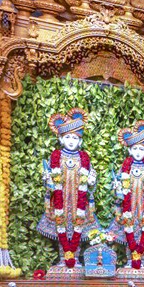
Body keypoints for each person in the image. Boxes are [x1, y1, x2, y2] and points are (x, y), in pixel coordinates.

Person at [38, 108, 97, 269]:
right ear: (61, 139)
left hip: (79, 201)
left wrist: (92, 180)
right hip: (60, 200)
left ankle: (75, 258)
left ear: (80, 141)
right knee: (61, 225)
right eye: (67, 137)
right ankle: (63, 259)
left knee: (78, 225)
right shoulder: (56, 157)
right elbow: (50, 181)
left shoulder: (83, 158)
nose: (71, 141)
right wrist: (47, 180)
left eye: (75, 138)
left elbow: (91, 181)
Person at [110, 119, 144, 270]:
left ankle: (142, 260)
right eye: (135, 149)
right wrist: (117, 188)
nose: (138, 152)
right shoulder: (125, 168)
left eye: (141, 149)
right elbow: (117, 191)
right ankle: (129, 260)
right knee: (129, 228)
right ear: (130, 151)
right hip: (129, 207)